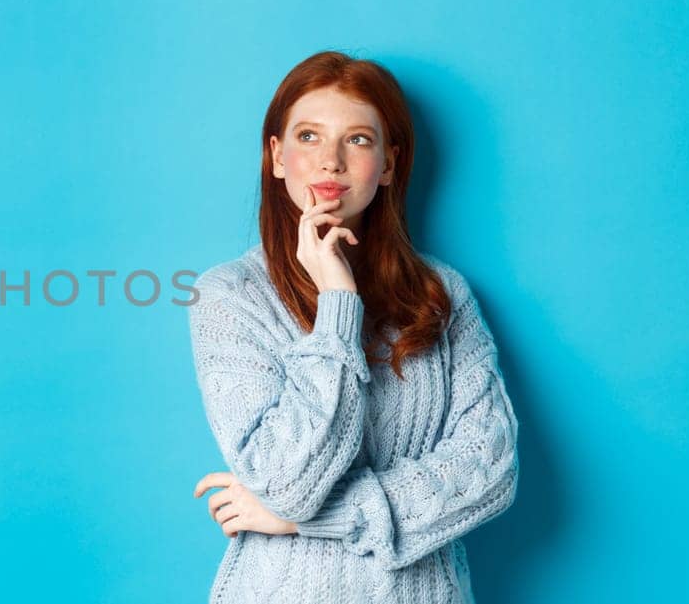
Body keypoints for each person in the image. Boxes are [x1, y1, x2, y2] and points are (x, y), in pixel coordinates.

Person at [186, 50, 519, 603]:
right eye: (309, 137)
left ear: (390, 163)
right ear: (276, 156)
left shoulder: (443, 294)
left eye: (358, 140)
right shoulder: (228, 296)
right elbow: (286, 481)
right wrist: (339, 303)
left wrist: (313, 519)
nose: (330, 162)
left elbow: (489, 471)